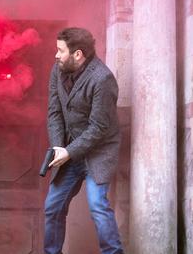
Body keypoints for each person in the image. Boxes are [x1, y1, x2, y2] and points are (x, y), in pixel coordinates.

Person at [44, 27, 124, 254]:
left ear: (78, 54)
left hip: (99, 151)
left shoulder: (103, 79)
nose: (56, 55)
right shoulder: (57, 70)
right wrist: (59, 146)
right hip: (68, 148)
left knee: (98, 206)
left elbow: (98, 128)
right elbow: (54, 112)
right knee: (52, 207)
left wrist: (68, 152)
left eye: (61, 50)